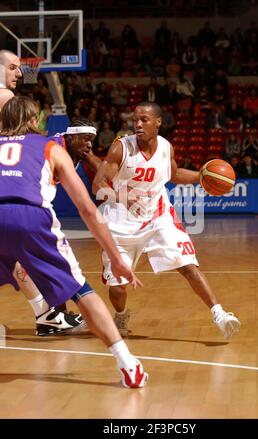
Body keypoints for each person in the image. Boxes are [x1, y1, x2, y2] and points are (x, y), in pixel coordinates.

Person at [0, 96, 148, 388]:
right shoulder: (49, 147)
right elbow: (87, 209)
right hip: (31, 217)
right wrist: (115, 257)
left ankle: (47, 317)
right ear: (33, 121)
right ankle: (128, 364)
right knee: (81, 291)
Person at [92, 102, 241, 339]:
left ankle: (220, 314)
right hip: (121, 224)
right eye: (135, 120)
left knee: (188, 266)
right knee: (117, 288)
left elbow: (173, 174)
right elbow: (98, 184)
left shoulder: (166, 148)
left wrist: (202, 177)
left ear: (158, 122)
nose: (138, 124)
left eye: (144, 120)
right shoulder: (121, 148)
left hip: (158, 218)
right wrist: (123, 196)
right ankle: (121, 314)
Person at [0, 50, 86, 335]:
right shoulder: (6, 100)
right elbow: (16, 144)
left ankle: (44, 312)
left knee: (13, 256)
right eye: (12, 67)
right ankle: (47, 312)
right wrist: (55, 146)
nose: (19, 73)